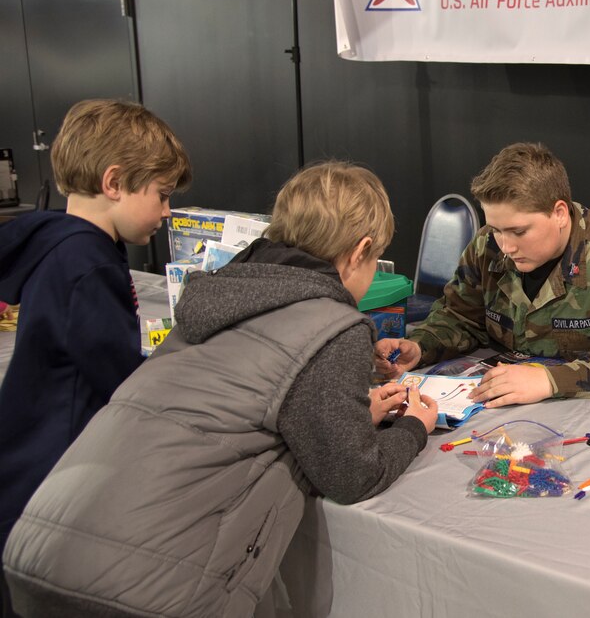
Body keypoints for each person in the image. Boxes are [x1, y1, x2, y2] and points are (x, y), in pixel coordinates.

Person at [2, 162, 438, 617]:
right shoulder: (335, 325)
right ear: (360, 251)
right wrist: (412, 427)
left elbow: (241, 405)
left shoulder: (215, 297)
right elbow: (352, 477)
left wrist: (348, 416)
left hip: (40, 549)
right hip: (149, 588)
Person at [0, 99, 192, 616]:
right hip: (52, 483)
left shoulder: (61, 243)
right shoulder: (86, 264)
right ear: (114, 183)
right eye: (162, 195)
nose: (167, 212)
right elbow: (125, 387)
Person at [376, 142, 590, 407]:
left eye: (518, 231)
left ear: (559, 213)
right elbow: (460, 317)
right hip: (498, 401)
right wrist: (421, 346)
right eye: (496, 230)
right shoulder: (486, 245)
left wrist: (549, 381)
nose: (505, 246)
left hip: (582, 407)